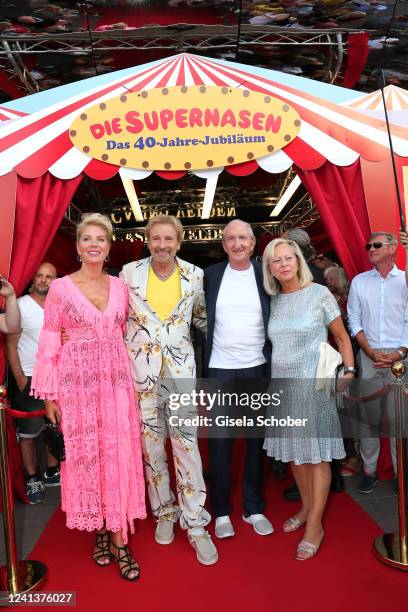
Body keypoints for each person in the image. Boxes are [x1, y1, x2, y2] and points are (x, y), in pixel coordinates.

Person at [31, 213, 145, 581]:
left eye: (101, 238)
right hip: (76, 386)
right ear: (78, 246)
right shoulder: (61, 289)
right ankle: (99, 527)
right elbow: (49, 341)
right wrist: (49, 395)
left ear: (109, 247)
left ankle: (118, 537)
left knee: (117, 453)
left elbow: (125, 333)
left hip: (115, 384)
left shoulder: (120, 287)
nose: (94, 244)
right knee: (88, 457)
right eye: (86, 239)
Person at [121, 214, 218, 566]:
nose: (162, 244)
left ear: (179, 242)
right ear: (147, 240)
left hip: (180, 373)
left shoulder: (195, 274)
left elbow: (202, 320)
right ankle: (164, 510)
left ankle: (195, 523)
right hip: (140, 373)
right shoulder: (128, 274)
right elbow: (115, 318)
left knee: (186, 444)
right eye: (156, 238)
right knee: (151, 446)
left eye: (169, 239)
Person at [262, 238, 355, 560]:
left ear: (299, 260)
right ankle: (305, 509)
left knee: (315, 457)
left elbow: (342, 336)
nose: (284, 264)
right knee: (295, 457)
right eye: (277, 260)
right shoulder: (273, 300)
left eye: (289, 257)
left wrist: (350, 370)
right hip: (283, 388)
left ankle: (315, 525)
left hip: (314, 386)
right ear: (270, 268)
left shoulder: (319, 294)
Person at [204, 219, 273, 539]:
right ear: (223, 244)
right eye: (230, 238)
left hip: (256, 367)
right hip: (219, 368)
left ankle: (254, 506)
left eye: (243, 237)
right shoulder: (210, 275)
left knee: (255, 442)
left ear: (254, 242)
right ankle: (220, 511)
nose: (237, 243)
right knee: (220, 444)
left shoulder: (267, 273)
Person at [348, 232, 408, 496]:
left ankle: (401, 475)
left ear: (393, 249)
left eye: (376, 245)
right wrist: (371, 353)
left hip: (401, 358)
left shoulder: (406, 280)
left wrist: (400, 352)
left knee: (400, 420)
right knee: (368, 419)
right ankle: (369, 472)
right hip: (368, 355)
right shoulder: (359, 282)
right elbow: (354, 320)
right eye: (368, 246)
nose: (370, 249)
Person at [6, 263, 61, 505]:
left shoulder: (59, 306)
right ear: (33, 278)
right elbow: (10, 345)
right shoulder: (20, 305)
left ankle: (50, 471)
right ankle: (31, 478)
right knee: (28, 433)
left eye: (49, 277)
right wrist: (19, 379)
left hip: (55, 377)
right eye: (39, 275)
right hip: (28, 377)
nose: (44, 280)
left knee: (53, 426)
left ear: (56, 281)